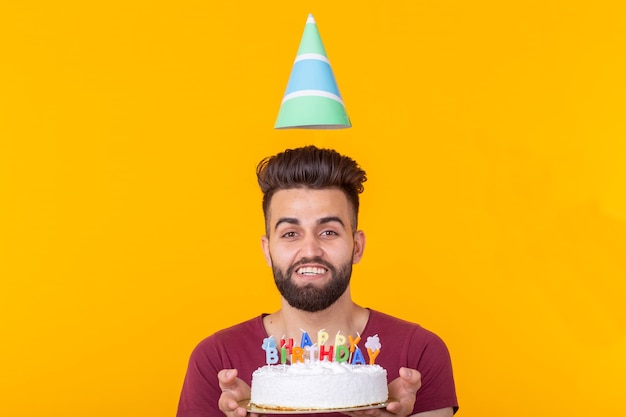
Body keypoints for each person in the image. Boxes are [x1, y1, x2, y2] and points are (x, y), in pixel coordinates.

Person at [176, 145, 458, 417]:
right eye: (290, 233)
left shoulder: (418, 353)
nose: (310, 250)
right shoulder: (217, 359)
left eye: (329, 232)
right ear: (267, 250)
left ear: (357, 246)